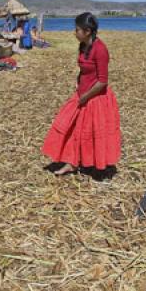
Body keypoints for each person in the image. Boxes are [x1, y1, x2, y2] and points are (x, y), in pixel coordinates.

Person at [42, 13, 121, 175]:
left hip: (96, 97)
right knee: (69, 126)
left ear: (87, 31)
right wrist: (78, 81)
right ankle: (71, 162)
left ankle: (92, 163)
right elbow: (84, 70)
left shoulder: (100, 50)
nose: (74, 32)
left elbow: (102, 81)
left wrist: (85, 97)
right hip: (82, 94)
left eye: (77, 29)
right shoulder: (83, 46)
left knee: (89, 132)